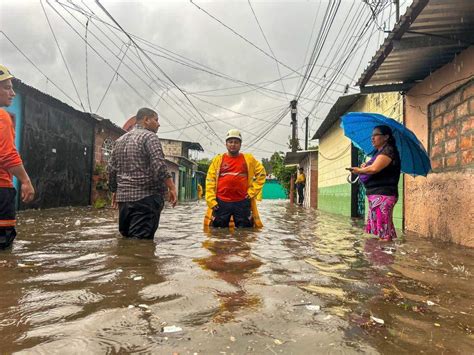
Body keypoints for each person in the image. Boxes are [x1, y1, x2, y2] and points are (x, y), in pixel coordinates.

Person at [108, 107, 177, 239]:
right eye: (156, 120)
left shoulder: (119, 140)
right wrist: (172, 187)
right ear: (146, 120)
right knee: (141, 244)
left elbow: (111, 169)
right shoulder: (150, 137)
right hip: (146, 199)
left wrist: (115, 191)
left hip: (124, 201)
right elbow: (159, 166)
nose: (159, 124)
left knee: (127, 239)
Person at [0, 64, 35, 249]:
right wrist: (25, 180)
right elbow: (6, 155)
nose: (12, 93)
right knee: (3, 249)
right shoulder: (2, 117)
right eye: (7, 87)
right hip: (1, 190)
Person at [204, 129, 266, 229]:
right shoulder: (218, 160)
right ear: (226, 144)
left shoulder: (249, 159)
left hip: (242, 202)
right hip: (221, 203)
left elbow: (262, 174)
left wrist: (252, 192)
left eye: (236, 142)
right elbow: (210, 180)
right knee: (218, 233)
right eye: (230, 142)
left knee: (245, 232)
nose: (233, 144)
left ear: (240, 144)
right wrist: (211, 199)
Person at [349, 125, 401, 241]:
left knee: (384, 233)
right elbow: (373, 167)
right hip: (378, 195)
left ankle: (384, 256)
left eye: (376, 135)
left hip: (383, 195)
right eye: (372, 135)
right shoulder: (380, 152)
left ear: (386, 137)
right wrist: (364, 167)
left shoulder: (388, 150)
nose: (372, 138)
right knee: (384, 230)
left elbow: (375, 169)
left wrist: (359, 170)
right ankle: (385, 255)